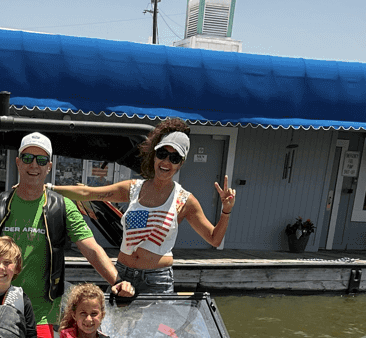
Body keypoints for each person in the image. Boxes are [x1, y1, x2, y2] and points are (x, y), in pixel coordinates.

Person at [0, 133, 135, 338]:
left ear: (49, 166)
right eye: (28, 158)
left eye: (41, 160)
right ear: (18, 162)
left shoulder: (62, 206)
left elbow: (92, 248)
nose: (33, 165)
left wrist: (117, 281)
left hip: (43, 311)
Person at [50, 118, 237, 295]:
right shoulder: (132, 189)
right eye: (162, 154)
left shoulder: (185, 200)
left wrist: (226, 211)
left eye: (174, 158)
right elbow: (88, 193)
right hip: (122, 276)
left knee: (155, 330)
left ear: (181, 164)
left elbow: (214, 239)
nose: (166, 162)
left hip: (157, 280)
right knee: (114, 328)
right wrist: (47, 188)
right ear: (154, 156)